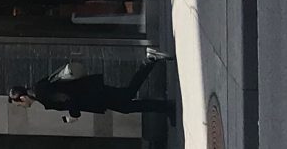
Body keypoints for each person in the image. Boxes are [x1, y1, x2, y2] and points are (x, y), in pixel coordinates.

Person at [9, 50, 177, 124]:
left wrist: (73, 116)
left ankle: (150, 61)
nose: (22, 107)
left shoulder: (42, 95)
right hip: (91, 92)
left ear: (22, 98)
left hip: (92, 94)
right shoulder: (39, 86)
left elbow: (68, 98)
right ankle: (165, 106)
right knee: (126, 104)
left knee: (127, 96)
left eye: (19, 104)